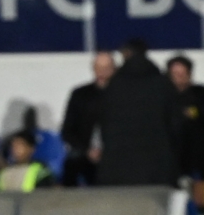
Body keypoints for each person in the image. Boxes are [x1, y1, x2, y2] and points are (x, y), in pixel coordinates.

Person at [98, 38, 176, 186]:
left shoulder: (115, 85)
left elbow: (105, 123)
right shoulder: (162, 84)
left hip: (119, 163)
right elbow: (175, 124)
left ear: (126, 54)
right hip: (158, 164)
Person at [59, 50, 114, 186]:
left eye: (106, 68)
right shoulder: (80, 95)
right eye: (98, 68)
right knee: (71, 165)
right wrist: (87, 151)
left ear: (114, 69)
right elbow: (67, 131)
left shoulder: (123, 96)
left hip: (114, 155)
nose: (102, 72)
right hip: (84, 152)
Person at [167, 55, 204, 181]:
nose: (179, 77)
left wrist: (196, 113)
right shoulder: (163, 96)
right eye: (175, 74)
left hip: (199, 150)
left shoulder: (202, 93)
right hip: (171, 152)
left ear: (189, 74)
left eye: (183, 73)